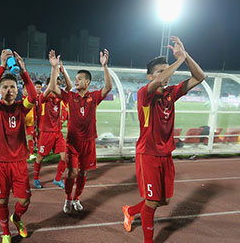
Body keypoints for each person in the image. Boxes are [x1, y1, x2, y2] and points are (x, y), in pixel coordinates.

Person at [122, 36, 205, 243]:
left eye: (166, 70)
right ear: (149, 76)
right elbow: (160, 80)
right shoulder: (144, 94)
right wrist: (178, 61)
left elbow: (200, 77)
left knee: (164, 200)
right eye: (160, 71)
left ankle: (130, 211)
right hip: (148, 154)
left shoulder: (171, 94)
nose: (166, 75)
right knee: (151, 202)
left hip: (166, 154)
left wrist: (185, 57)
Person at [48, 49, 113, 213]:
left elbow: (108, 86)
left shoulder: (94, 97)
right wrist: (55, 68)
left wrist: (105, 66)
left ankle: (76, 198)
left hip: (89, 141)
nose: (75, 81)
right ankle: (68, 199)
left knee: (83, 173)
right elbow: (53, 87)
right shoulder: (70, 96)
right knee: (71, 172)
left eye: (79, 79)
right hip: (73, 142)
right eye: (75, 79)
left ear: (87, 82)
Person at [0, 49, 37, 243]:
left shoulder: (21, 108)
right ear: (0, 91)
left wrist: (23, 72)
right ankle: (5, 231)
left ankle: (17, 218)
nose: (9, 90)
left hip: (19, 162)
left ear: (17, 90)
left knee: (24, 200)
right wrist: (1, 66)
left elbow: (32, 97)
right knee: (2, 200)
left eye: (12, 87)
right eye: (5, 87)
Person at [32, 69, 72, 190]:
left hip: (57, 132)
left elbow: (69, 86)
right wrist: (54, 69)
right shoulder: (44, 97)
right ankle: (36, 178)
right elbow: (50, 88)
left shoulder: (60, 98)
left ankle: (58, 179)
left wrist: (63, 71)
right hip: (46, 133)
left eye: (59, 85)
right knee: (40, 157)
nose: (58, 87)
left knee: (65, 157)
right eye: (56, 84)